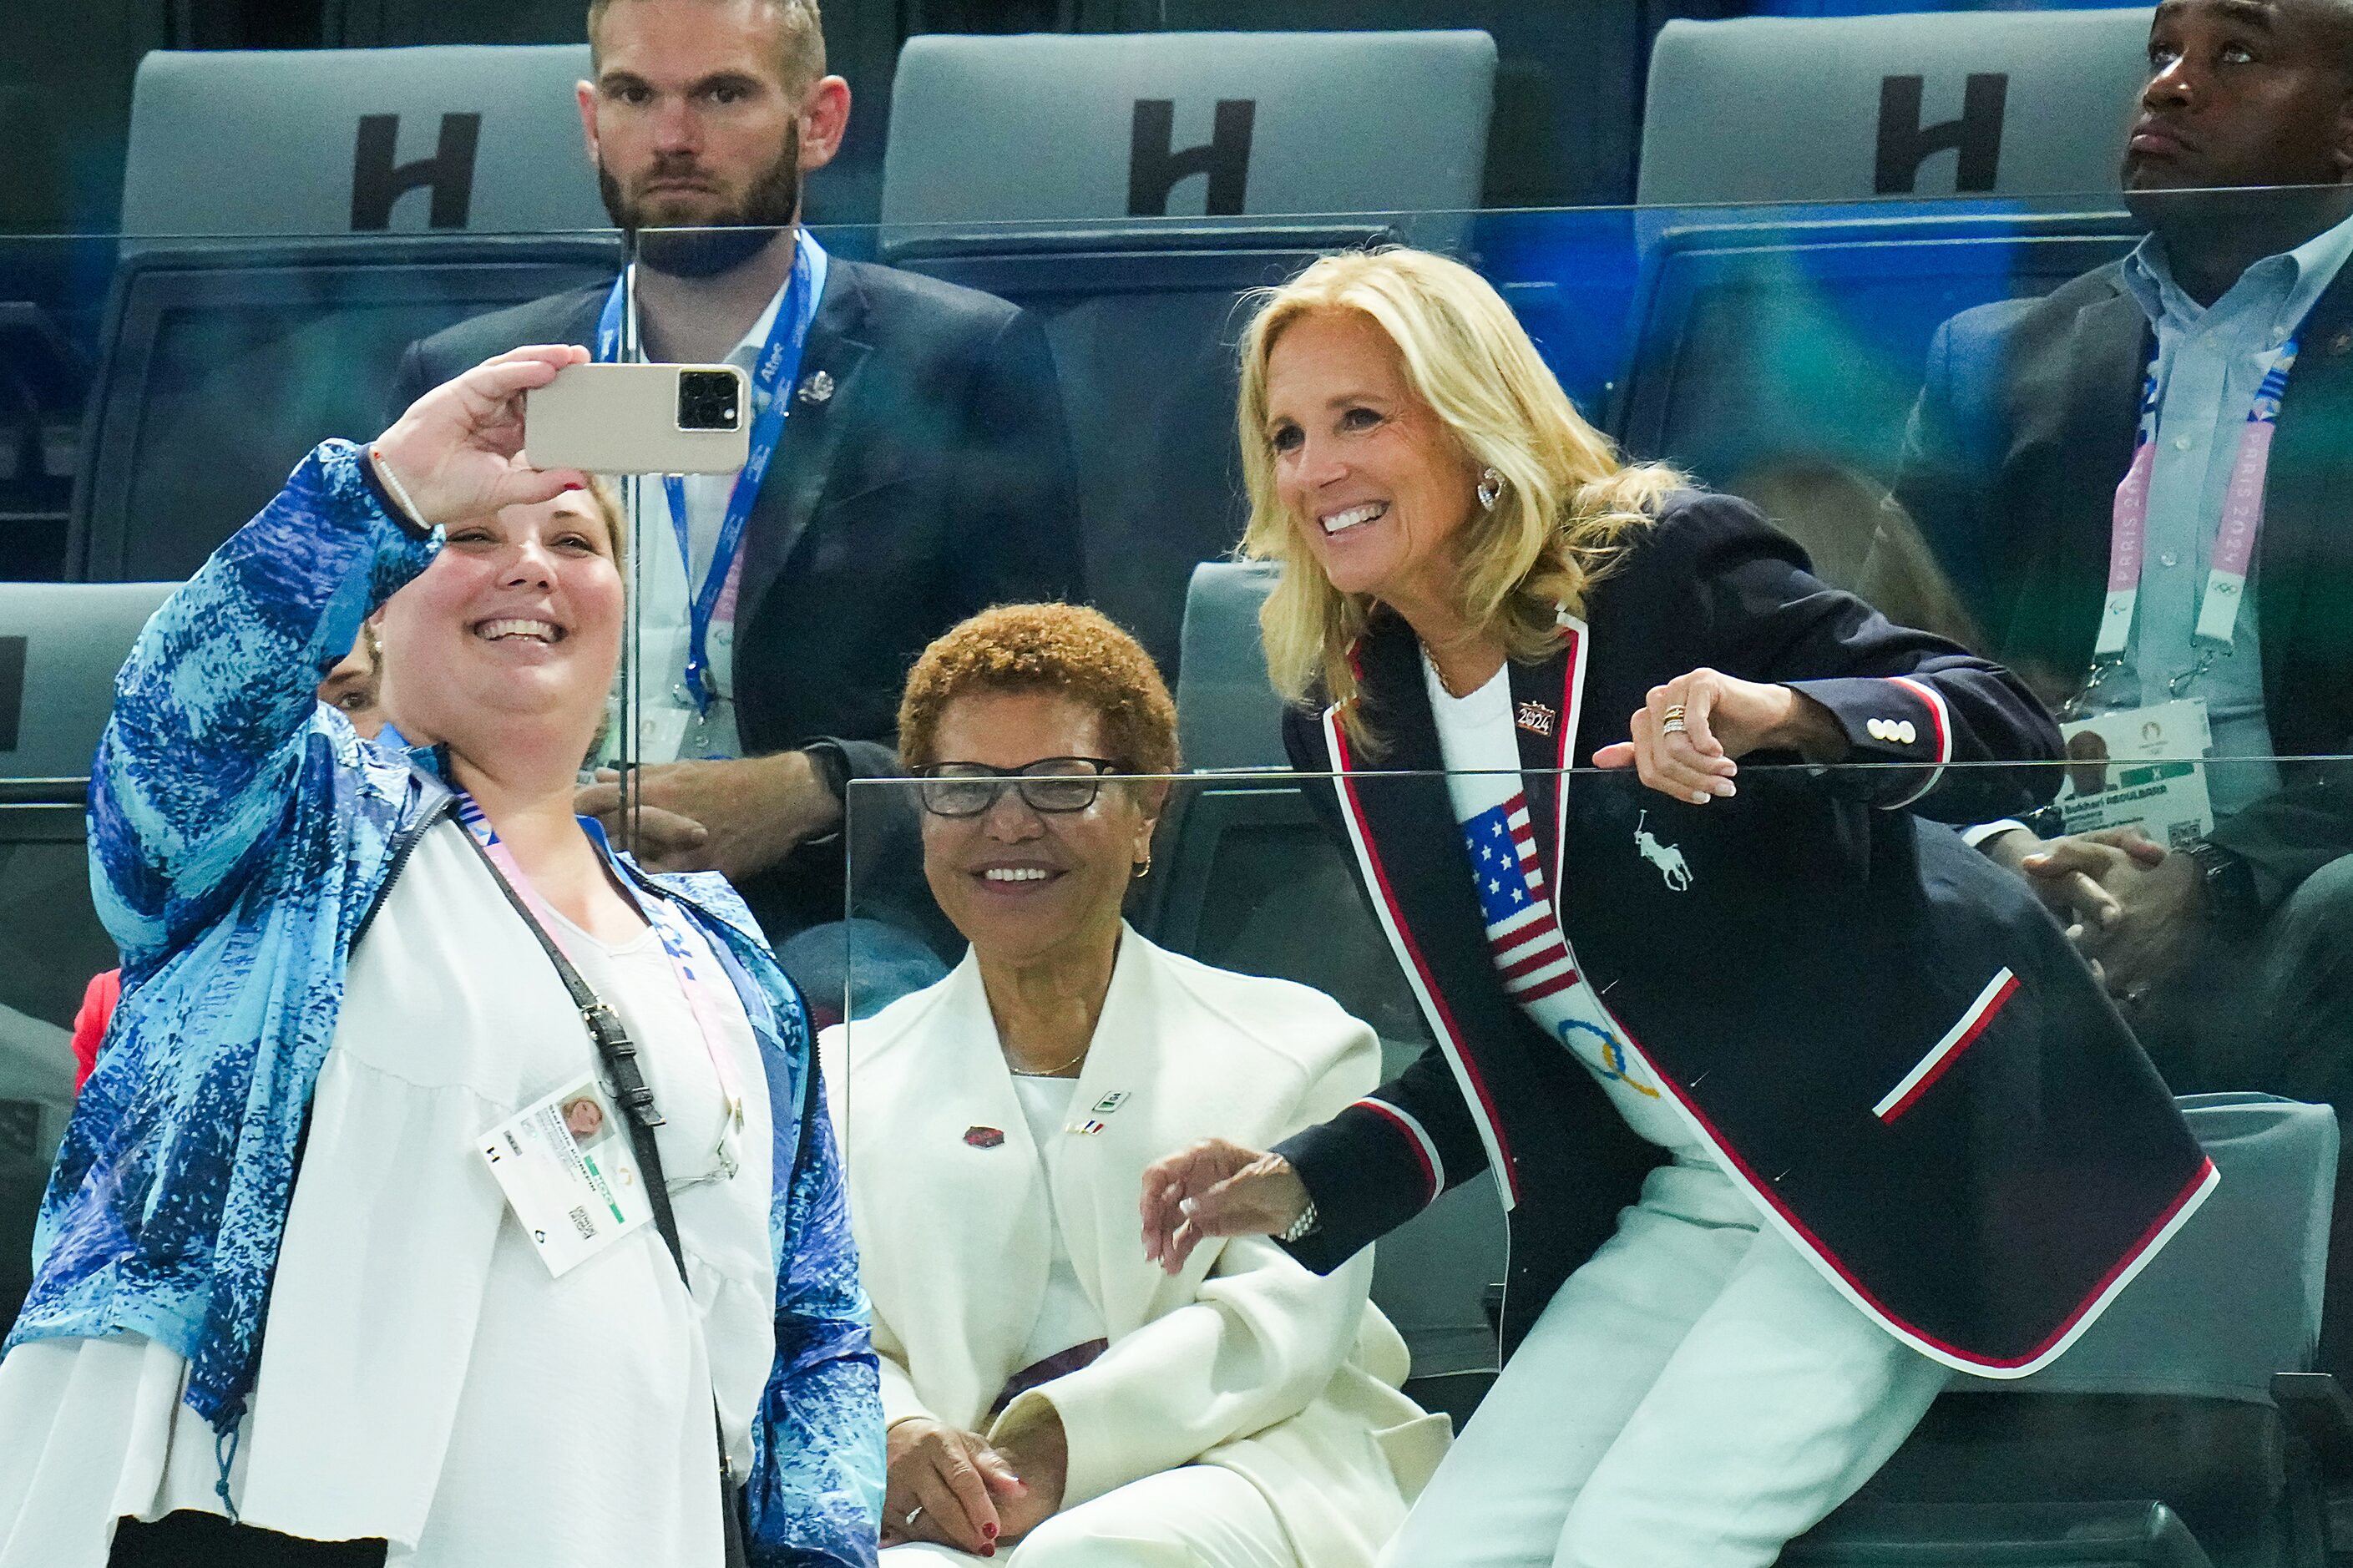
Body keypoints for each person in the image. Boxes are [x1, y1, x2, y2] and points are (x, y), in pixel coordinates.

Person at [1136, 247, 2215, 1568]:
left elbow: (2003, 726)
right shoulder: (1349, 723)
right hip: (1691, 1190)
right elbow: (1533, 1029)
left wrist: (1788, 713)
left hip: (1886, 1152)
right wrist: (1304, 1179)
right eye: (1286, 434)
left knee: (1645, 1540)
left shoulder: (1659, 566)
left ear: (1475, 424)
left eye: (1361, 417)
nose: (1314, 470)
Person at [0, 346, 880, 1567]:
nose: (530, 561)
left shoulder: (715, 939)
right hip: (246, 1519)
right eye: (472, 535)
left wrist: (823, 1547)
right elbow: (173, 732)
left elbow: (816, 1310)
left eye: (576, 543)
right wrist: (391, 484)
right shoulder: (294, 824)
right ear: (376, 603)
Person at [388, 0, 1079, 970]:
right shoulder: (476, 382)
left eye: (722, 93)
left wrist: (812, 790)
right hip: (523, 883)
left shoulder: (957, 362)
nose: (673, 138)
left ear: (820, 121)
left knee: (851, 993)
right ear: (592, 120)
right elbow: (390, 697)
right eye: (635, 95)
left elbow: (1049, 704)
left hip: (828, 908)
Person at [1887, 0, 2353, 1361]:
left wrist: (2213, 882)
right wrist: (2000, 850)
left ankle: (2304, 1424)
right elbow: (1890, 682)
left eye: (2236, 54)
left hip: (2289, 918)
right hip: (2034, 902)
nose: (2168, 83)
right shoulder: (1996, 362)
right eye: (2160, 48)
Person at [821, 604, 1446, 1566]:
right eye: (963, 787)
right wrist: (902, 1437)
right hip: (964, 1499)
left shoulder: (1301, 1046)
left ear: (1148, 810)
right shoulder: (841, 1076)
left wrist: (1050, 1450)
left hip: (1250, 1467)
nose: (1008, 822)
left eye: (1062, 784)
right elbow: (837, 1331)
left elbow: (1275, 1330)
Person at [66, 630, 390, 1095]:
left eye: (352, 700)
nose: (319, 735)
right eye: (268, 704)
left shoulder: (447, 966)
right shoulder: (121, 1005)